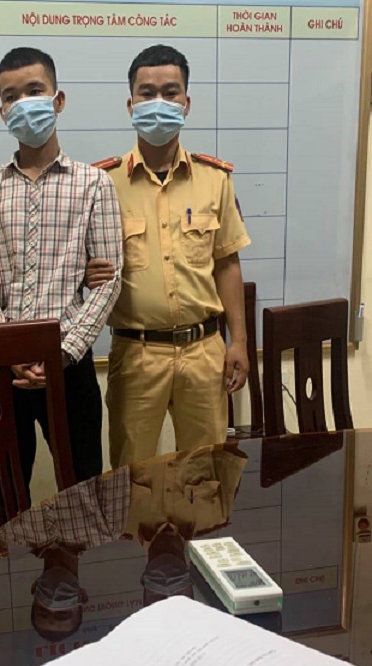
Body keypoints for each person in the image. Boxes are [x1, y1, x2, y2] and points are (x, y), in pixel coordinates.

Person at [0, 47, 123, 495]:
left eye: (35, 91)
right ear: (2, 111)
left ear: (58, 99)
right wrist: (6, 347)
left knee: (84, 493)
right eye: (11, 96)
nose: (24, 103)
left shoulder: (95, 184)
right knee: (5, 495)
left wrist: (62, 353)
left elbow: (108, 283)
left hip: (70, 366)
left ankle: (80, 549)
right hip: (2, 370)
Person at [87, 45, 251, 468]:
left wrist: (239, 342)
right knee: (133, 477)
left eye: (170, 92)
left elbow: (227, 263)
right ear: (130, 104)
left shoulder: (214, 179)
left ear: (186, 103)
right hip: (137, 353)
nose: (158, 102)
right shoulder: (102, 184)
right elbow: (84, 268)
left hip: (204, 351)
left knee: (206, 473)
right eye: (147, 93)